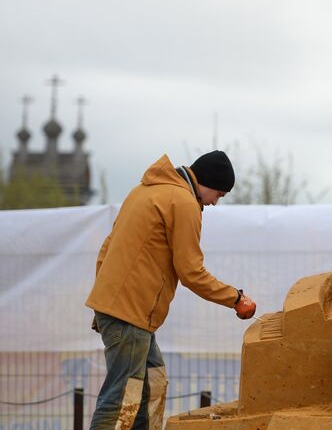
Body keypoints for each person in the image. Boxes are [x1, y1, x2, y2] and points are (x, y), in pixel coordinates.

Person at [85, 150, 256, 429]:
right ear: (208, 183)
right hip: (131, 314)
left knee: (152, 384)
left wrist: (105, 303)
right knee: (121, 402)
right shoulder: (184, 203)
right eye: (219, 195)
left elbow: (107, 249)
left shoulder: (143, 192)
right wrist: (235, 298)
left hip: (124, 312)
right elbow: (191, 272)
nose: (214, 203)